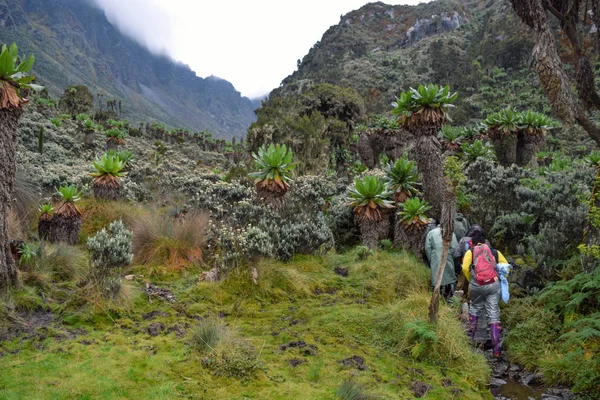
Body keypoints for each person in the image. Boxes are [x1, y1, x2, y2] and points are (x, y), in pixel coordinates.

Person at [462, 230, 509, 357]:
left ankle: (468, 344)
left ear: (472, 242)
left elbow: (465, 268)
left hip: (477, 284)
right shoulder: (494, 252)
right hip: (493, 284)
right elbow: (506, 266)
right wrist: (500, 277)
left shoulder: (470, 252)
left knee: (475, 309)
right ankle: (497, 350)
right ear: (485, 241)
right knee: (493, 314)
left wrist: (470, 279)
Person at [424, 224, 458, 300]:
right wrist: (450, 255)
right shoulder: (450, 232)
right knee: (449, 277)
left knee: (436, 276)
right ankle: (449, 297)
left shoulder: (431, 233)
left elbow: (427, 248)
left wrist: (431, 259)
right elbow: (455, 247)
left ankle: (437, 297)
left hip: (435, 256)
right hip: (447, 255)